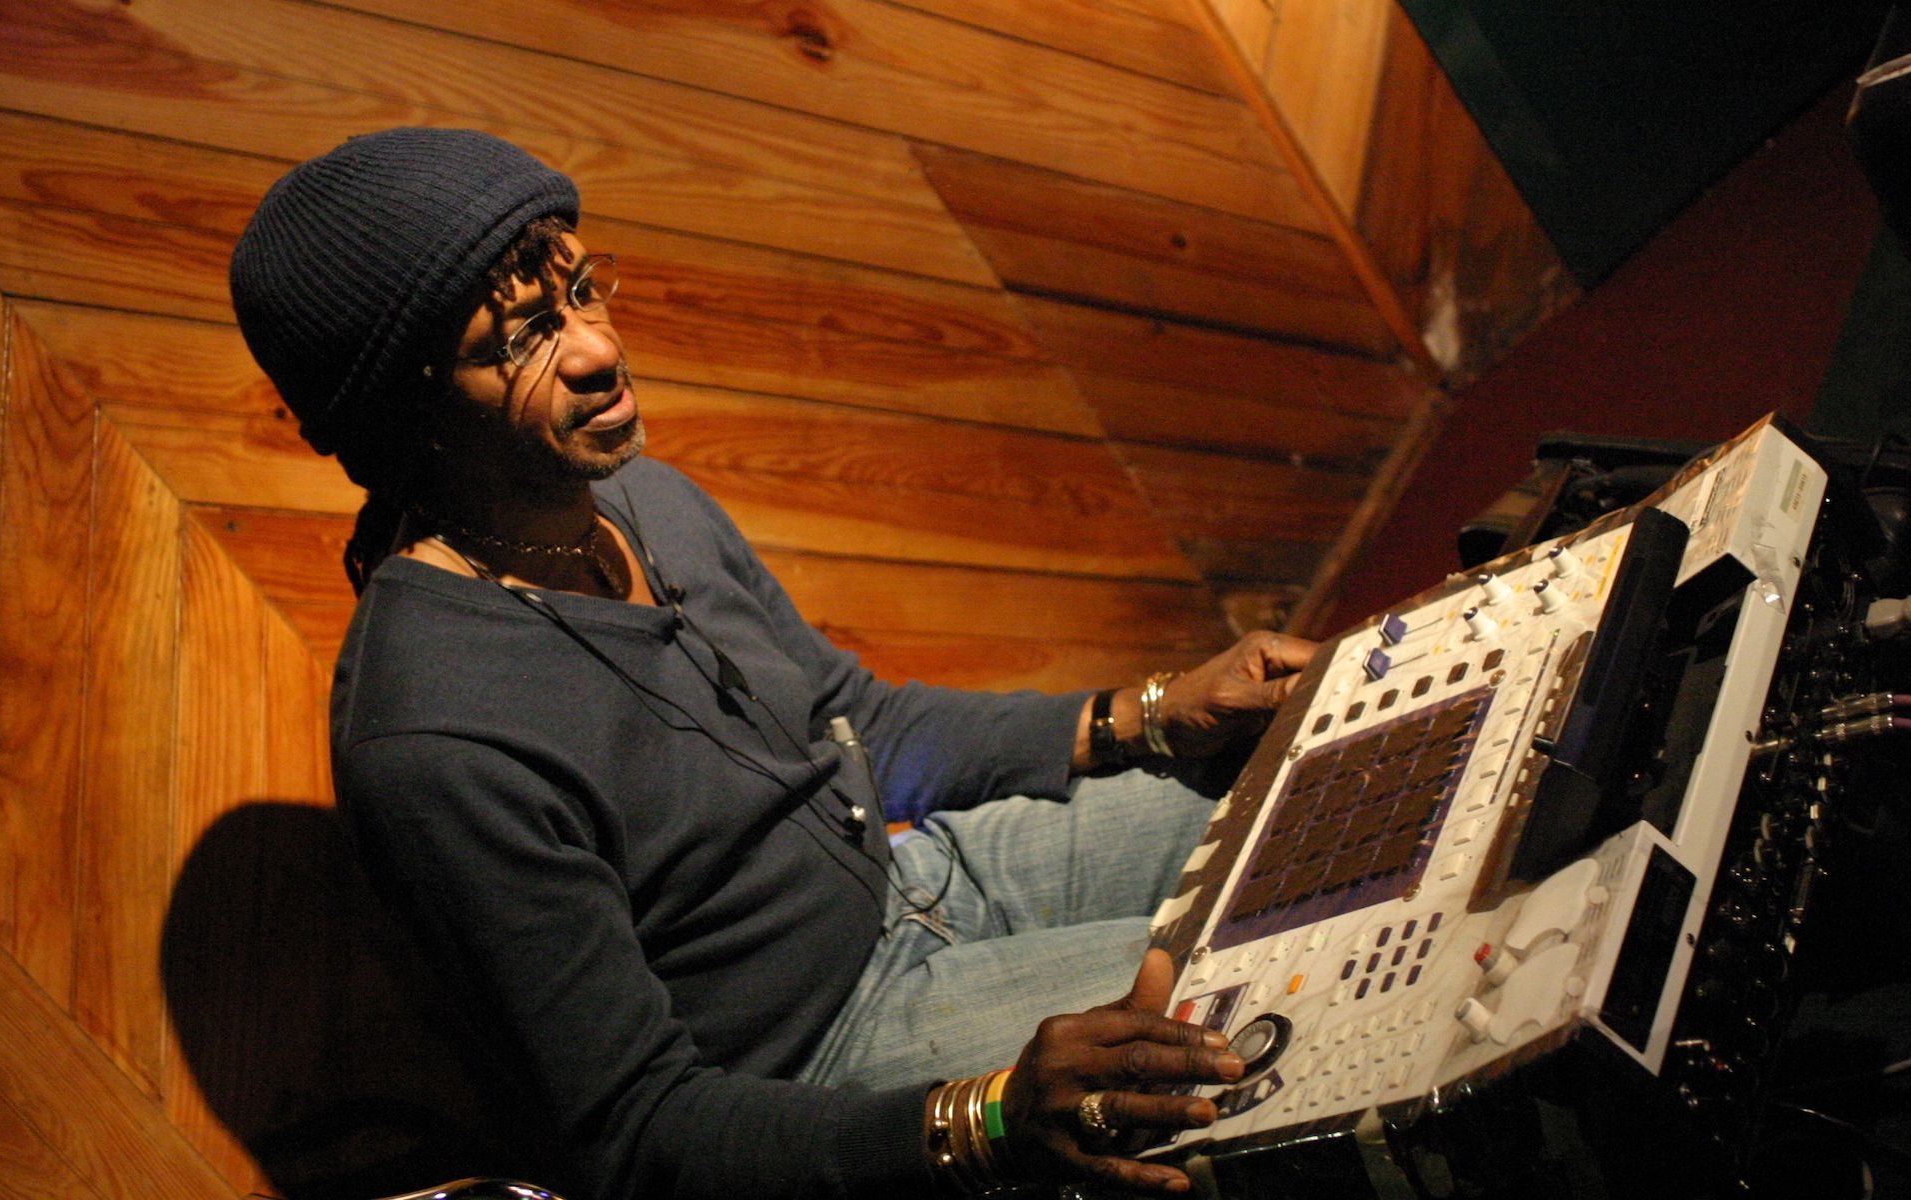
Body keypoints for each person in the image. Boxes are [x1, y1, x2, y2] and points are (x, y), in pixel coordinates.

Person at [229, 127, 1315, 1200]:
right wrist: (983, 1118)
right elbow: (637, 1133)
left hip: (923, 880)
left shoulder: (636, 495)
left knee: (1318, 784)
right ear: (401, 412)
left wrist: (1156, 711)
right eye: (518, 340)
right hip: (834, 1055)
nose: (596, 352)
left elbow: (856, 719)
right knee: (1274, 1000)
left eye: (582, 292)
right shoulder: (434, 739)